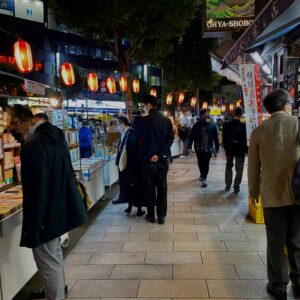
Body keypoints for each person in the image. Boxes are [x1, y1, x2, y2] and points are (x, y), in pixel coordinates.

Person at [9, 106, 88, 300]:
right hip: (57, 207)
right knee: (54, 255)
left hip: (46, 213)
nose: (11, 129)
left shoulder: (34, 144)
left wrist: (37, 222)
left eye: (12, 123)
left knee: (48, 259)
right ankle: (57, 289)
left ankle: (56, 295)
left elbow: (38, 188)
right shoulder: (54, 136)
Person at [248, 89, 300, 300]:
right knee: (297, 239)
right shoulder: (297, 124)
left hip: (272, 195)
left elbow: (253, 167)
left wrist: (254, 192)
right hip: (298, 193)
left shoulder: (259, 132)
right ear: (287, 105)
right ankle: (299, 280)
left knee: (276, 240)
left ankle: (278, 285)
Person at [139, 95, 174, 224]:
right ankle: (161, 216)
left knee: (149, 188)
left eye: (144, 105)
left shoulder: (143, 121)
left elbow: (139, 141)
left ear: (148, 105)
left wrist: (149, 155)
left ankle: (150, 215)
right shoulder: (167, 121)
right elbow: (170, 139)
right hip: (162, 160)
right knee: (162, 187)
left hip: (148, 161)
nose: (144, 107)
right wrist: (159, 154)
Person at [189, 109, 219, 188]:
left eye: (208, 114)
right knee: (200, 162)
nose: (207, 115)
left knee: (206, 163)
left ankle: (204, 178)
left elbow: (216, 138)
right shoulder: (196, 125)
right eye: (206, 114)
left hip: (208, 148)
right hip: (199, 148)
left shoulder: (212, 125)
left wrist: (217, 148)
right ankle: (202, 173)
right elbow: (191, 136)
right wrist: (189, 146)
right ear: (201, 115)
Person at [223, 107, 248, 193]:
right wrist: (246, 150)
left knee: (228, 166)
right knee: (239, 168)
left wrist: (226, 148)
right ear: (241, 115)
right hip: (240, 150)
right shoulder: (244, 126)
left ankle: (228, 185)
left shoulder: (227, 125)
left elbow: (224, 139)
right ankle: (236, 186)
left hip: (229, 150)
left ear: (234, 114)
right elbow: (246, 140)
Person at [125, 115, 146, 216]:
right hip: (140, 165)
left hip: (130, 164)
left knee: (131, 184)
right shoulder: (142, 134)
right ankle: (139, 210)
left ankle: (129, 207)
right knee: (140, 186)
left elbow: (127, 148)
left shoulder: (129, 133)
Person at [112, 116, 131, 205]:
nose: (117, 126)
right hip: (121, 160)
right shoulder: (123, 132)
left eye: (118, 124)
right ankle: (123, 196)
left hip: (126, 161)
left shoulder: (129, 132)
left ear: (123, 124)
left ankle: (123, 197)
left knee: (124, 179)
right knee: (122, 179)